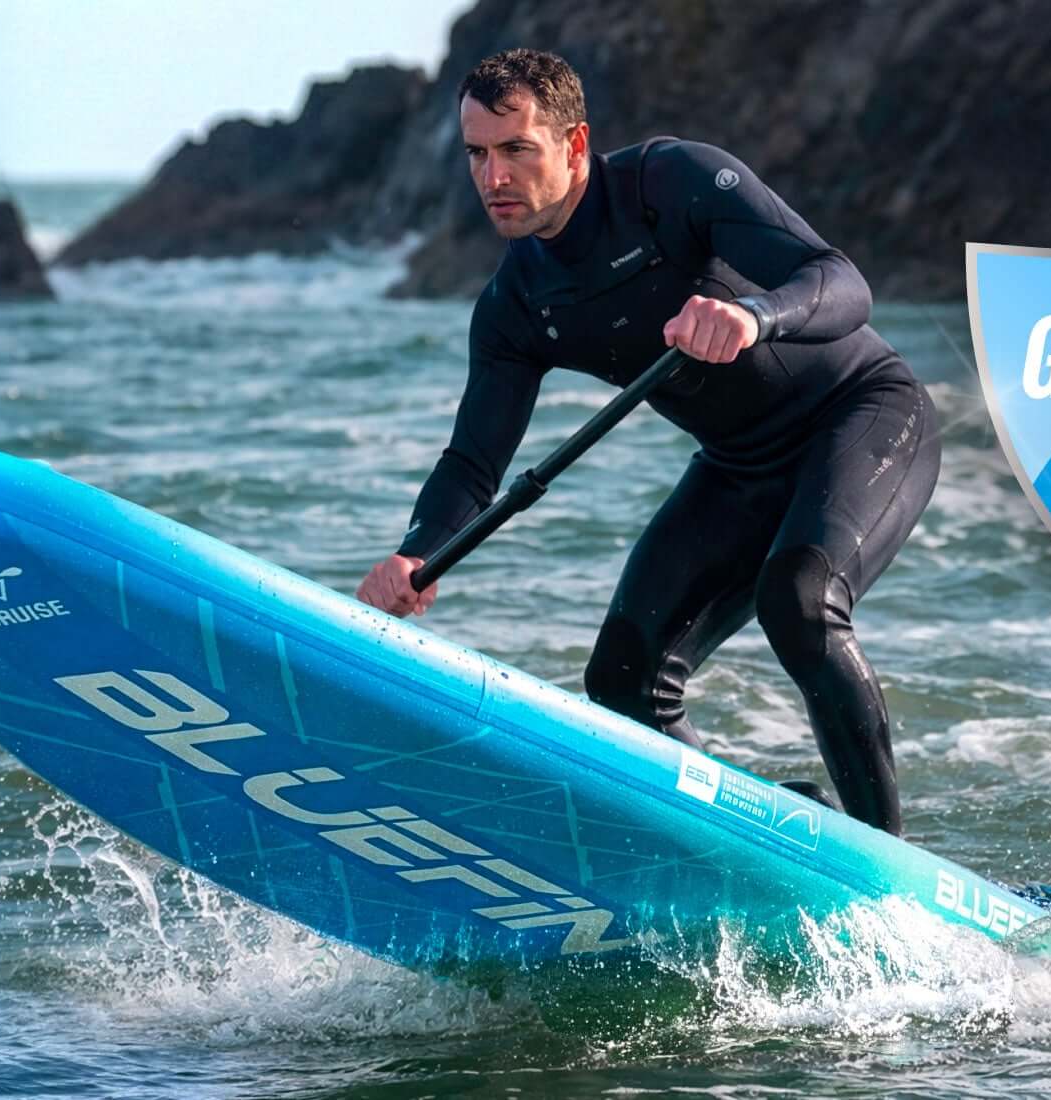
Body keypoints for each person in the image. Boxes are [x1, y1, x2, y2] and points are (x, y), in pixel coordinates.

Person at [352, 49, 938, 836]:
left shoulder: (672, 184)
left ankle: (887, 863)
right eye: (477, 154)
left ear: (575, 144)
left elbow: (843, 282)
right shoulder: (516, 305)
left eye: (517, 149)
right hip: (740, 466)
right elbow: (473, 461)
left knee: (797, 601)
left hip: (861, 414)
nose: (494, 176)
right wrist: (417, 551)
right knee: (624, 680)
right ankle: (764, 834)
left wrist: (752, 315)